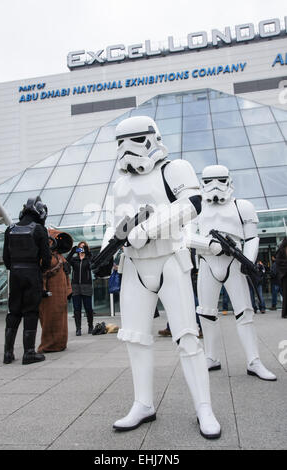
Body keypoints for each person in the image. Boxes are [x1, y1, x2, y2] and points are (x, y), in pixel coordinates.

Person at [97, 116, 221, 439]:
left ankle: (203, 407)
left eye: (134, 141)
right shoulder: (120, 183)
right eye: (120, 144)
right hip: (135, 266)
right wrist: (110, 241)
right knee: (135, 338)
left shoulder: (174, 168)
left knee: (187, 337)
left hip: (169, 260)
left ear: (152, 138)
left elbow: (193, 203)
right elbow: (116, 222)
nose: (126, 151)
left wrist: (148, 230)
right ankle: (143, 403)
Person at [187, 165, 276, 380]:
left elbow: (252, 237)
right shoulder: (197, 208)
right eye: (209, 181)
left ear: (229, 181)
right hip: (208, 262)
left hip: (235, 263)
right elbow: (186, 236)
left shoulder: (242, 206)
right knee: (206, 313)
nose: (215, 186)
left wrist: (249, 260)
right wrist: (208, 243)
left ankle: (253, 360)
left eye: (220, 180)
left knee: (244, 313)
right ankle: (211, 357)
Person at [3, 196, 51, 365]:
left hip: (15, 273)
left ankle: (7, 353)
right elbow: (46, 259)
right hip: (32, 274)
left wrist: (15, 268)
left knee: (13, 311)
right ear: (40, 213)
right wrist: (39, 270)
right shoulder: (39, 230)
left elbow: (5, 258)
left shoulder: (10, 229)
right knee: (31, 311)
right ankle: (29, 353)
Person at [38, 229, 73, 353]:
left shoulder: (60, 258)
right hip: (49, 295)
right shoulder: (46, 256)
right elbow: (41, 274)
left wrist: (68, 290)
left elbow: (66, 275)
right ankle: (50, 344)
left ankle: (59, 343)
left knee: (60, 319)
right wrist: (43, 289)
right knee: (49, 318)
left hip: (60, 294)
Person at [66, 241, 94, 335]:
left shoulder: (88, 258)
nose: (81, 249)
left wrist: (88, 253)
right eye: (80, 247)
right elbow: (66, 262)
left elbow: (93, 262)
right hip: (75, 286)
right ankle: (78, 329)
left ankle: (90, 326)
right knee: (76, 308)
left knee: (88, 308)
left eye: (84, 247)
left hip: (86, 285)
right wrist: (72, 252)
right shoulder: (75, 259)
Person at [275, 238, 287, 318]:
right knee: (286, 295)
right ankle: (285, 313)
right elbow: (279, 262)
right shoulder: (281, 250)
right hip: (285, 276)